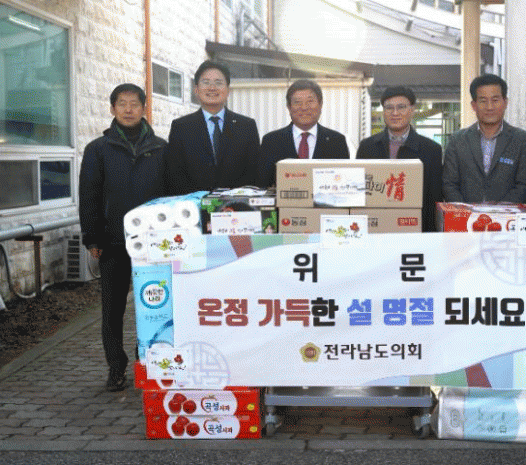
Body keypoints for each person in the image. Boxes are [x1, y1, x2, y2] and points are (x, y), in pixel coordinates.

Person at [79, 83, 166, 391]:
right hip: (113, 241)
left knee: (155, 305)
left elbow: (170, 195)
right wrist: (92, 237)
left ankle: (151, 361)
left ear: (144, 108)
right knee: (112, 309)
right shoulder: (97, 149)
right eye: (122, 103)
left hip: (155, 244)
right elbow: (89, 194)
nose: (129, 109)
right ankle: (116, 366)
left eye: (134, 104)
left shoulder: (161, 148)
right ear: (112, 108)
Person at [165, 60, 260, 194]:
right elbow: (175, 174)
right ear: (196, 89)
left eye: (218, 83)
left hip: (236, 203)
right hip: (194, 203)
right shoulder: (181, 127)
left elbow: (253, 171)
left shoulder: (246, 126)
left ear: (228, 90)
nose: (212, 88)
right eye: (206, 82)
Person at [356, 86, 443, 232]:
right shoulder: (367, 147)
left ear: (412, 110)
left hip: (414, 228)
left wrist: (429, 236)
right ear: (383, 111)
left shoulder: (431, 150)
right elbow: (359, 193)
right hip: (375, 229)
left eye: (401, 107)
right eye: (389, 108)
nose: (395, 113)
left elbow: (434, 198)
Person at [442, 74, 526, 204]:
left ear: (505, 102)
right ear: (474, 105)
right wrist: (467, 212)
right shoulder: (457, 141)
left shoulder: (522, 140)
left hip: (507, 215)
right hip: (465, 214)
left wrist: (497, 212)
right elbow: (449, 184)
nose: (489, 107)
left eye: (495, 100)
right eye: (483, 101)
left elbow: (523, 186)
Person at [258, 79, 350, 188]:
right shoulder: (271, 141)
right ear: (289, 107)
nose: (304, 107)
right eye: (297, 102)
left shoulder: (337, 141)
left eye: (310, 101)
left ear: (320, 104)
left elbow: (344, 185)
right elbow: (262, 185)